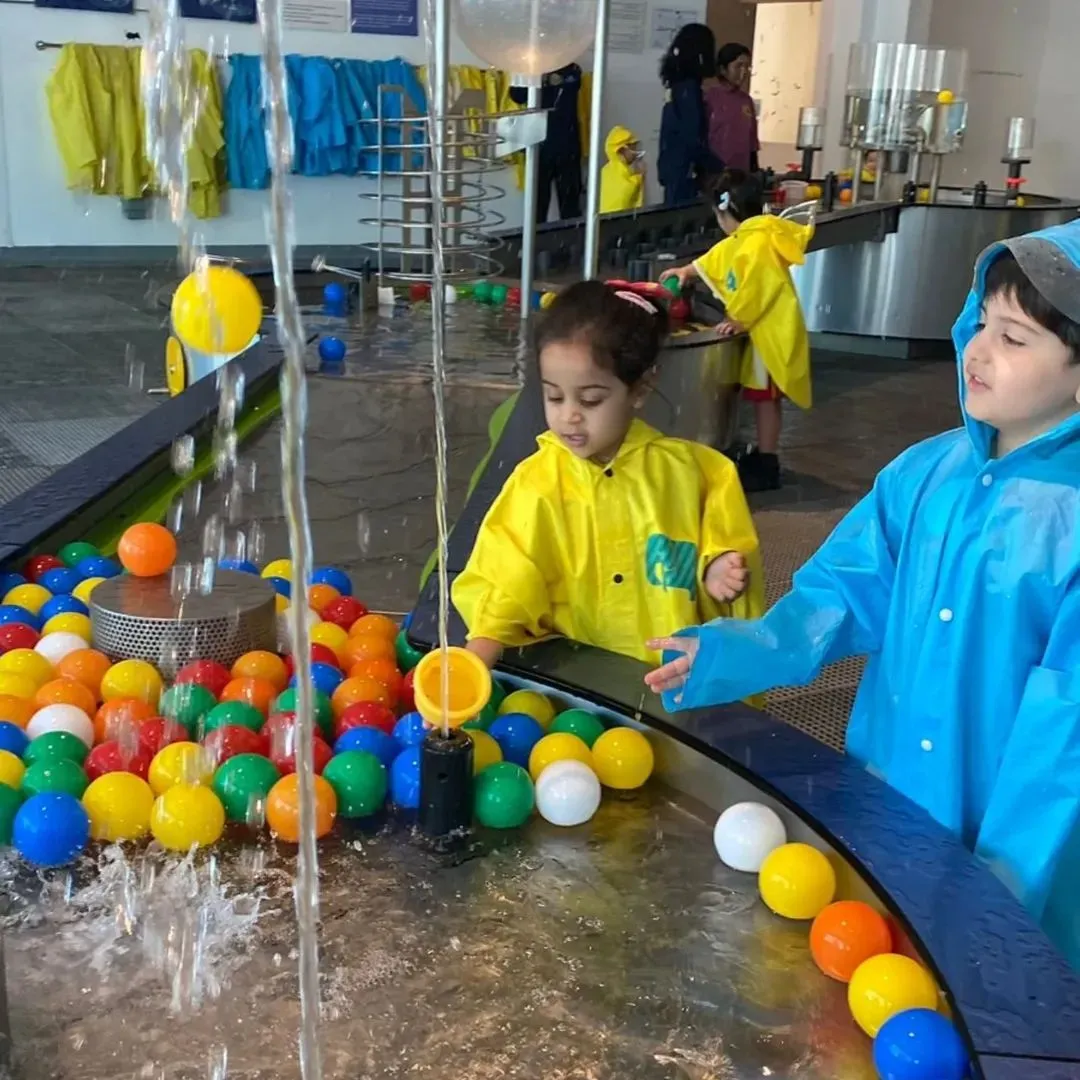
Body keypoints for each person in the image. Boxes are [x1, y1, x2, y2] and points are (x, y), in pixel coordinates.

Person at [645, 220, 1080, 969]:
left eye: (1014, 340)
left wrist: (1003, 896)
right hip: (894, 792)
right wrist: (734, 651)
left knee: (989, 1004)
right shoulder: (925, 474)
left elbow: (1061, 744)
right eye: (981, 325)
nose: (977, 351)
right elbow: (842, 592)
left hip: (1008, 843)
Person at [452, 281, 764, 670]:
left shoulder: (695, 473)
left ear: (640, 389)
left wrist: (713, 565)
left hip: (667, 679)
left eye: (590, 400)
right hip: (576, 684)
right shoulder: (536, 482)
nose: (569, 416)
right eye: (553, 396)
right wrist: (482, 647)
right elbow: (508, 572)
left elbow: (721, 542)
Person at [661, 170, 813, 491]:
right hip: (764, 332)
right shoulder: (750, 235)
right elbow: (722, 254)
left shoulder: (757, 241)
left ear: (727, 211)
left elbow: (760, 284)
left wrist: (739, 318)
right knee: (761, 397)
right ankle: (763, 454)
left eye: (718, 216)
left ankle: (768, 462)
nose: (719, 224)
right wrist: (689, 271)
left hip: (770, 333)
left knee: (765, 398)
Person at [658, 23, 724, 205]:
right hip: (685, 171)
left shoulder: (676, 85)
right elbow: (692, 138)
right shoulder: (689, 89)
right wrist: (720, 167)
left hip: (673, 168)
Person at [510, 63, 583, 222]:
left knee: (570, 205)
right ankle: (535, 244)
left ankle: (572, 243)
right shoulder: (528, 67)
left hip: (566, 145)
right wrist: (537, 78)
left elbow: (572, 83)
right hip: (539, 145)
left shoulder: (571, 69)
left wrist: (547, 79)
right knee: (537, 206)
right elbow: (516, 94)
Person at [705, 43, 760, 174]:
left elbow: (752, 143)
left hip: (741, 176)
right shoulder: (709, 98)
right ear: (723, 69)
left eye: (747, 67)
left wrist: (754, 172)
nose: (744, 72)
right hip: (716, 174)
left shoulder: (746, 101)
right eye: (738, 66)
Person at [600, 125, 646, 214]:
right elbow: (624, 194)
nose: (635, 151)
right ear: (621, 150)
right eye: (633, 148)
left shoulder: (608, 169)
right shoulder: (616, 170)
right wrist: (639, 177)